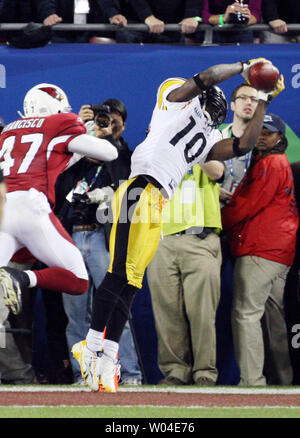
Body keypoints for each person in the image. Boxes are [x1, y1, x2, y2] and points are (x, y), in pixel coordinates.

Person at [72, 58, 285, 393]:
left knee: (131, 281)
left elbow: (242, 144)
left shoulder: (209, 135)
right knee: (118, 273)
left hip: (157, 199)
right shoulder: (175, 103)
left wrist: (262, 99)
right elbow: (207, 79)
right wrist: (248, 72)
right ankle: (91, 343)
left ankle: (107, 355)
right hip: (139, 189)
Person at [0, 82, 118, 317]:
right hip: (30, 207)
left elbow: (50, 159)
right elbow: (110, 153)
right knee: (78, 280)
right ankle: (22, 278)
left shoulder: (7, 131)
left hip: (3, 212)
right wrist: (90, 133)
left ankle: (15, 277)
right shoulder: (57, 123)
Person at [59, 99, 142, 385]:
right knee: (76, 314)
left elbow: (124, 181)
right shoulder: (80, 154)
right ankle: (84, 375)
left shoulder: (126, 156)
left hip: (103, 239)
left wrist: (111, 142)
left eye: (113, 119)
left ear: (123, 125)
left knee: (115, 307)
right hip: (70, 238)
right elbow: (59, 182)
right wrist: (82, 131)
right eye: (102, 119)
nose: (106, 124)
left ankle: (129, 374)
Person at [220, 85, 294, 385]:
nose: (261, 136)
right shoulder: (274, 162)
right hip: (278, 250)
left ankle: (252, 383)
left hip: (262, 250)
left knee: (245, 313)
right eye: (258, 131)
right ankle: (283, 382)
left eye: (268, 132)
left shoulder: (271, 163)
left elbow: (247, 206)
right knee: (271, 316)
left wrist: (218, 213)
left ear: (279, 137)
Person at [147, 160, 224, 386]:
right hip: (161, 240)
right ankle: (175, 371)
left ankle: (204, 373)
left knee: (201, 312)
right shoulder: (154, 155)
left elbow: (217, 171)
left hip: (199, 239)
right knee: (166, 313)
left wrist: (191, 148)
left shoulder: (205, 146)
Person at [100, 0, 202, 44]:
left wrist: (190, 16)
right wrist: (147, 16)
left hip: (172, 27)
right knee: (130, 70)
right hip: (135, 25)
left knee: (170, 71)